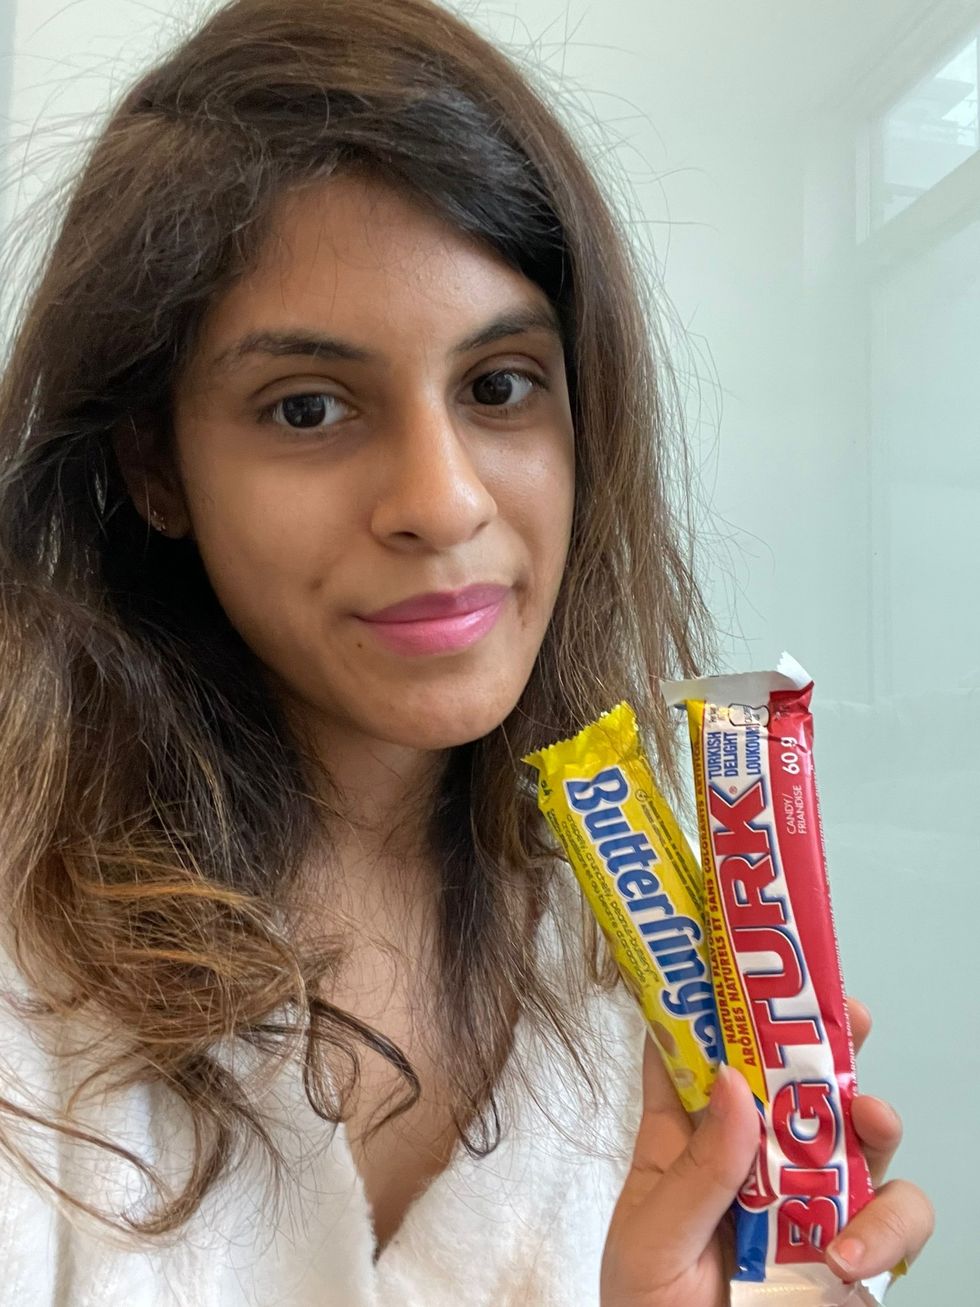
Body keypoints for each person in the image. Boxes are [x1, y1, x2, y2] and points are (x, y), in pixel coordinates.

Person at [0, 1, 933, 1303]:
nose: (441, 502)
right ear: (156, 461)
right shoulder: (23, 968)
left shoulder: (658, 962)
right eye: (309, 406)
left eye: (500, 385)